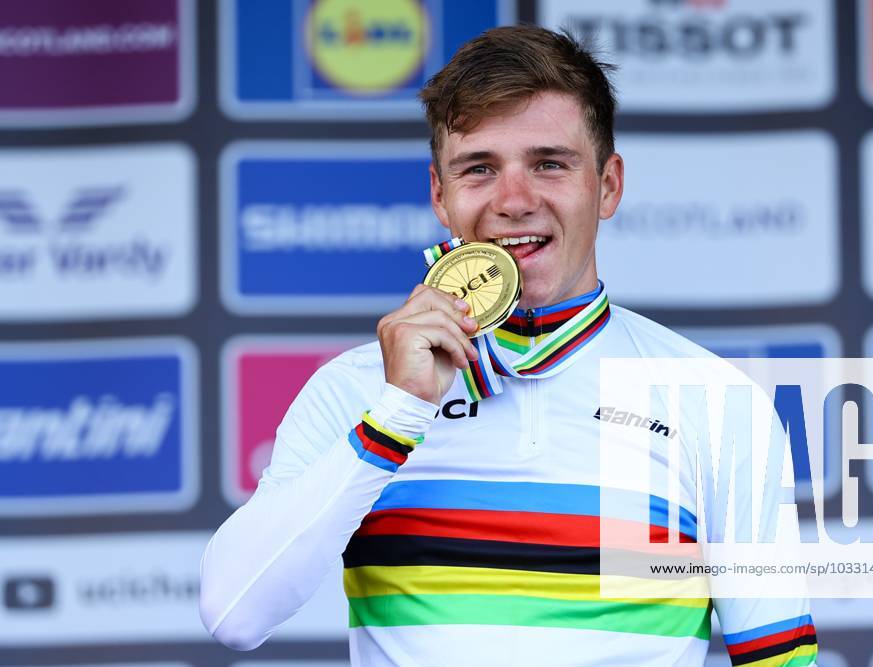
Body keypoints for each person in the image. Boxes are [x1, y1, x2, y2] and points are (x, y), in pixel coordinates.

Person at [200, 25, 819, 666]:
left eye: (549, 163)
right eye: (480, 169)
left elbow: (779, 659)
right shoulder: (358, 392)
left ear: (607, 186)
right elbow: (234, 613)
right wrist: (396, 416)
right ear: (440, 195)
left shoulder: (713, 400)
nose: (515, 201)